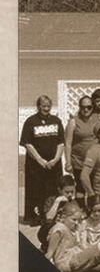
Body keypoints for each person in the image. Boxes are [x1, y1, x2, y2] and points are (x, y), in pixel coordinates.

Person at [21, 95, 65, 225]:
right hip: (36, 165)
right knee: (37, 190)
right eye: (43, 106)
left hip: (54, 164)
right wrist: (41, 161)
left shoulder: (56, 121)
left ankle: (53, 214)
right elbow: (28, 144)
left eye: (48, 106)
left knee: (54, 189)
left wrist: (55, 159)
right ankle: (37, 216)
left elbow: (61, 143)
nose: (46, 108)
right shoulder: (31, 122)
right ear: (38, 106)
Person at [64, 95, 100, 182]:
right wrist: (68, 162)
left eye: (89, 107)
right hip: (79, 163)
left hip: (95, 162)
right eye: (83, 107)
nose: (86, 109)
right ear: (79, 107)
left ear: (93, 107)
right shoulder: (73, 122)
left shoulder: (98, 119)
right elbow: (68, 144)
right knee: (80, 191)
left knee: (96, 190)